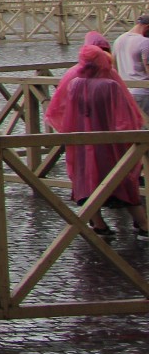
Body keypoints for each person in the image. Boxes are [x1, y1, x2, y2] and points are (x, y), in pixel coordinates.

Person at [45, 40, 149, 236]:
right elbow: (126, 117)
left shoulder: (74, 84)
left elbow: (63, 113)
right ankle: (143, 224)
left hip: (83, 142)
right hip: (109, 142)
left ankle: (98, 223)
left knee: (86, 178)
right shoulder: (110, 85)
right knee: (123, 180)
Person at [116, 14, 149, 113]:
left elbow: (114, 66)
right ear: (147, 27)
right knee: (145, 126)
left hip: (125, 91)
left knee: (133, 126)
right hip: (143, 93)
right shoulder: (145, 42)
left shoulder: (119, 40)